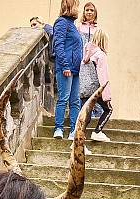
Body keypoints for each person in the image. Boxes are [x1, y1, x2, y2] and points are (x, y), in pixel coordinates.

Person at [52, 0, 83, 139]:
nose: (78, 8)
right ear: (70, 6)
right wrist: (65, 65)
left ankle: (73, 131)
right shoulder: (62, 22)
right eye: (76, 4)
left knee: (75, 101)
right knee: (63, 98)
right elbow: (58, 45)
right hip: (66, 68)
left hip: (75, 69)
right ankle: (58, 129)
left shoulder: (72, 25)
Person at [81, 29, 113, 142]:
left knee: (86, 114)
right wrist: (106, 94)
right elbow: (102, 75)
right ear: (104, 41)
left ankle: (79, 139)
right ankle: (97, 132)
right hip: (96, 88)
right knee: (108, 109)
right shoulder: (101, 55)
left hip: (84, 88)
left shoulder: (87, 54)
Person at [76, 2, 104, 119]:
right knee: (82, 88)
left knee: (94, 87)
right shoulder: (78, 28)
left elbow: (101, 46)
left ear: (95, 13)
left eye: (91, 10)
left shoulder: (98, 30)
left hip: (93, 64)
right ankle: (85, 115)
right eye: (87, 10)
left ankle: (95, 115)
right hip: (81, 63)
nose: (89, 12)